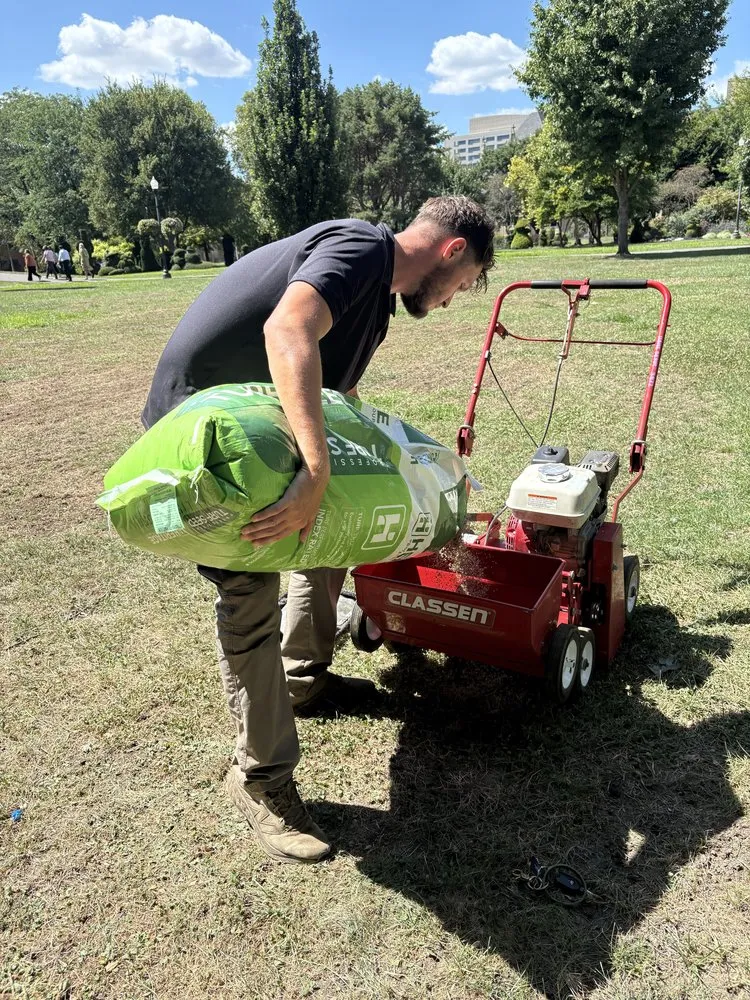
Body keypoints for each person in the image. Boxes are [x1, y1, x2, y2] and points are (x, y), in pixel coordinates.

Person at [142, 196, 496, 864]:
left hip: (257, 433)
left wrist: (411, 470)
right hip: (199, 443)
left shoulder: (376, 306)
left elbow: (338, 401)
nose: (453, 301)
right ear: (452, 251)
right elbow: (287, 332)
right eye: (464, 286)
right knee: (248, 593)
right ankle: (260, 782)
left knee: (336, 529)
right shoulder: (362, 247)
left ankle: (303, 677)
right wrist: (314, 468)